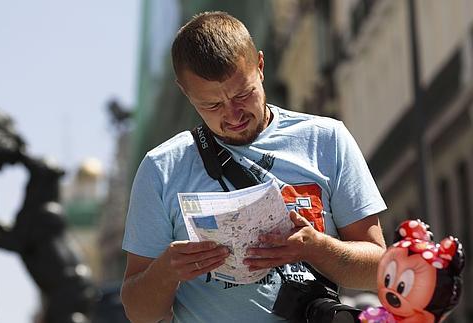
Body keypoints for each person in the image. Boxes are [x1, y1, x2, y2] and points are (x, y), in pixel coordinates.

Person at [121, 11, 387, 323]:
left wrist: (316, 248)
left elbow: (380, 270)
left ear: (260, 67)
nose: (233, 115)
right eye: (212, 105)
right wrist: (166, 271)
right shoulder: (161, 169)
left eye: (243, 95)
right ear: (185, 92)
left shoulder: (326, 140)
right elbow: (138, 312)